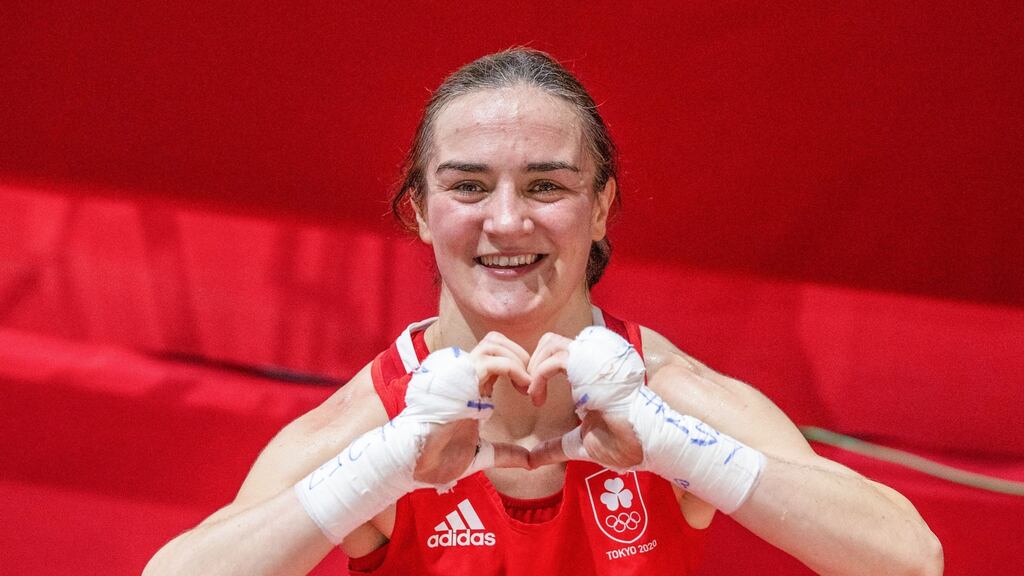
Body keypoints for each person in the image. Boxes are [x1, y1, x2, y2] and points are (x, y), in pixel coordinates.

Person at [144, 48, 942, 576]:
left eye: (546, 185)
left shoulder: (668, 394)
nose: (506, 221)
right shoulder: (374, 419)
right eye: (467, 185)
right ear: (418, 212)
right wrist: (387, 465)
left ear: (601, 209)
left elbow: (909, 559)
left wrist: (674, 445)